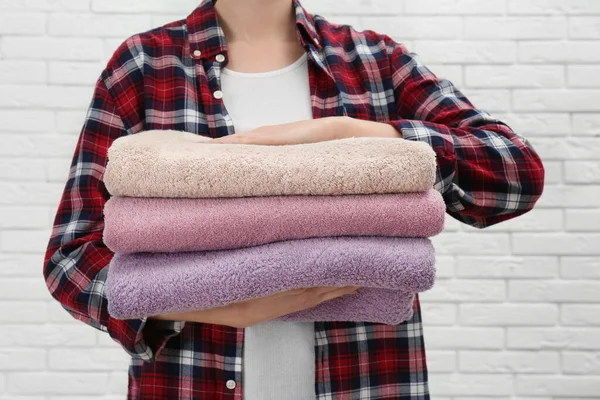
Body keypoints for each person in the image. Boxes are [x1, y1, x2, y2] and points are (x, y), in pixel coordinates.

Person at [43, 0, 545, 398]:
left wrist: (371, 134)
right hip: (191, 383)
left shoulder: (374, 61)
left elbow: (518, 173)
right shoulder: (145, 65)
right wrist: (193, 306)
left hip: (366, 380)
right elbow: (72, 257)